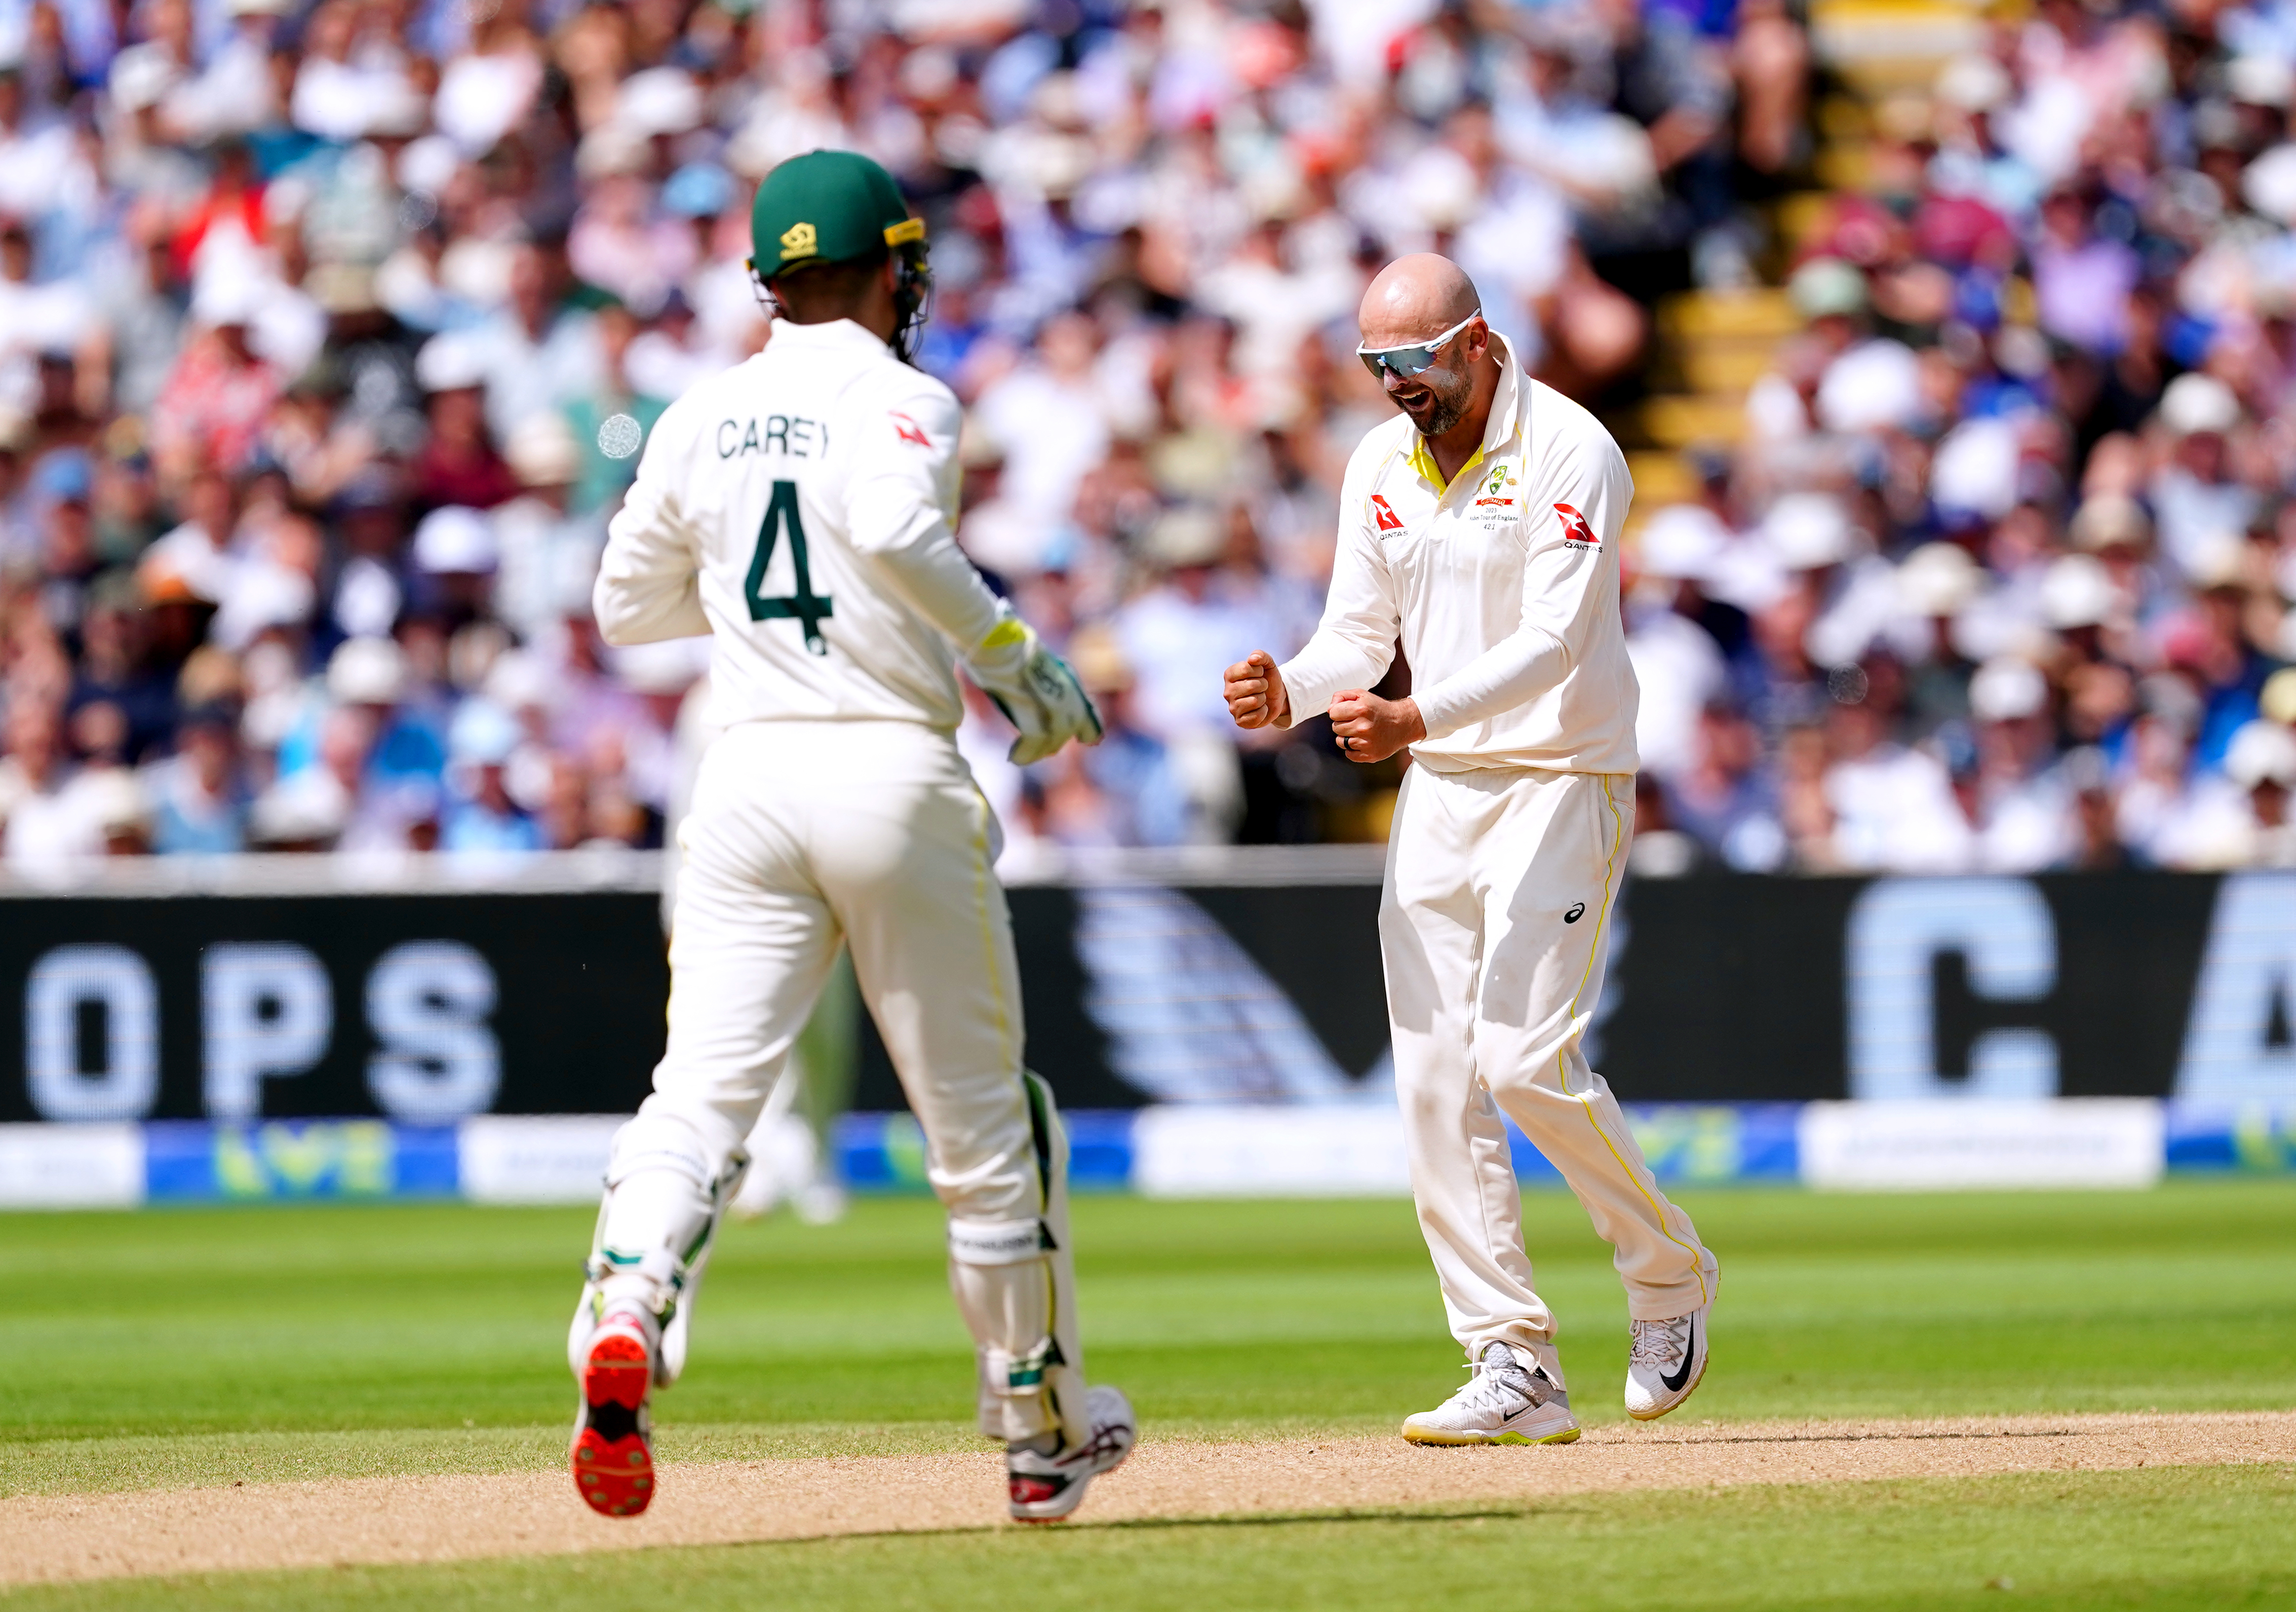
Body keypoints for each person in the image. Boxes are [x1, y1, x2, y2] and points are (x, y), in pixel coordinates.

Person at [570, 150, 1133, 1524]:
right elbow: (885, 521)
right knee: (985, 1124)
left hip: (745, 778)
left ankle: (624, 1302)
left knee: (696, 1096)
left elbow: (624, 607)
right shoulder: (907, 396)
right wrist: (1004, 650)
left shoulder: (700, 414)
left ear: (766, 281)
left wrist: (773, 609)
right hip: (887, 767)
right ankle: (1036, 1422)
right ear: (889, 269)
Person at [1222, 254, 1719, 1447]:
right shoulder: (1378, 464)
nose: (1395, 385)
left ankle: (1667, 1278)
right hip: (1442, 789)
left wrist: (1412, 717)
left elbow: (1556, 640)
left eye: (1413, 361)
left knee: (1521, 1057)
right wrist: (1289, 689)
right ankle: (1508, 1356)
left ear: (1477, 341)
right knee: (1436, 1074)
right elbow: (1357, 633)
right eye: (1374, 365)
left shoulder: (1570, 450)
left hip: (1559, 773)